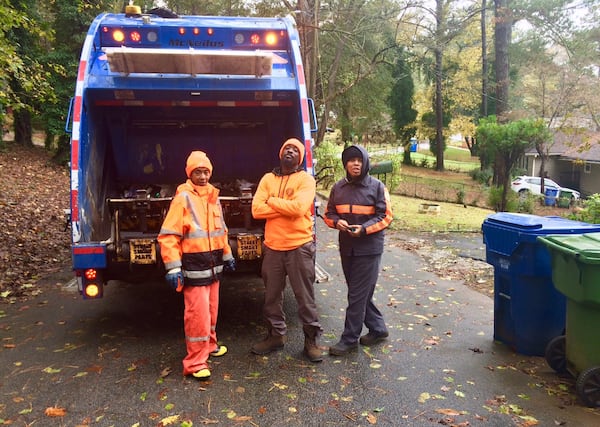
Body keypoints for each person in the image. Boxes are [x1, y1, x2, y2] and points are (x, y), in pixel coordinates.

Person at [158, 150, 236, 380]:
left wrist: (227, 254)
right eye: (197, 172)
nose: (202, 176)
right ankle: (194, 363)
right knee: (197, 315)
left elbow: (221, 230)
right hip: (194, 267)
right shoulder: (183, 198)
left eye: (205, 172)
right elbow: (168, 235)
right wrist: (173, 267)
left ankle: (209, 346)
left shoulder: (213, 196)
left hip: (213, 266)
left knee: (211, 310)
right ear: (189, 174)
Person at [250, 138, 323, 362]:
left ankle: (311, 342)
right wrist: (285, 207)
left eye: (295, 150)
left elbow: (300, 208)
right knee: (271, 297)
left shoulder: (306, 180)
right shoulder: (267, 178)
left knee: (305, 298)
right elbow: (256, 210)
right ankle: (276, 336)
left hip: (299, 246)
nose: (290, 151)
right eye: (286, 148)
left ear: (300, 158)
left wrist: (271, 201)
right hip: (273, 248)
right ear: (280, 154)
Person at [324, 145, 393, 356]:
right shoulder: (338, 188)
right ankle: (378, 328)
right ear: (345, 163)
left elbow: (386, 216)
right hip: (347, 248)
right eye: (351, 160)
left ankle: (349, 339)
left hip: (369, 249)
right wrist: (338, 223)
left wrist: (363, 230)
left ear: (365, 163)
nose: (356, 164)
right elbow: (329, 214)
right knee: (360, 294)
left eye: (360, 160)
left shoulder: (378, 187)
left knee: (356, 295)